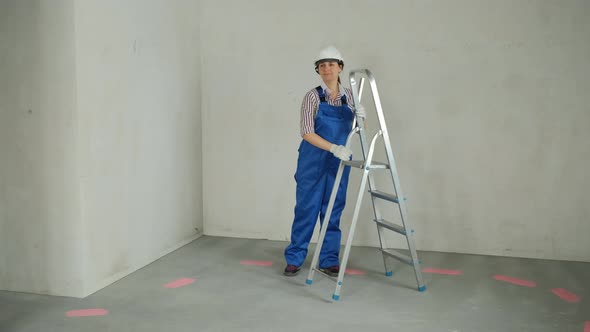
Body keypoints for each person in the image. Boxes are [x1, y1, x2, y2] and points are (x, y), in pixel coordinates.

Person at [284, 46, 363, 277]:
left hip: (338, 164)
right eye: (322, 65)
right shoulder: (312, 96)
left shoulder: (351, 98)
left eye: (331, 64)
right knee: (306, 209)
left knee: (333, 209)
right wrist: (333, 147)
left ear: (340, 67)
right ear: (317, 69)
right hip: (313, 162)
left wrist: (362, 119)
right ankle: (295, 257)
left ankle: (328, 259)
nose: (327, 68)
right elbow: (306, 132)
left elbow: (358, 130)